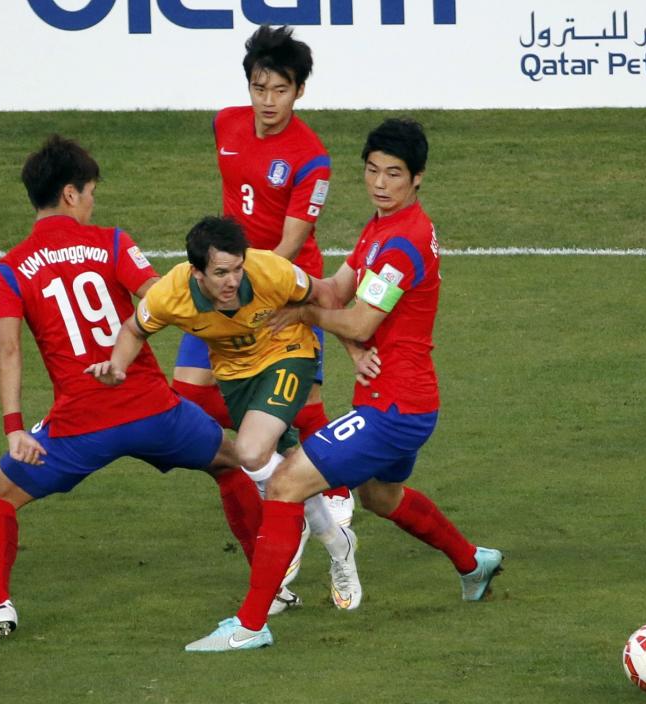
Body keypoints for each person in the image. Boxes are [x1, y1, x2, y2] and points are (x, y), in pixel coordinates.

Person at [184, 118, 504, 652]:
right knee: (381, 496)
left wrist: (302, 315)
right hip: (398, 401)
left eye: (394, 174)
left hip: (395, 409)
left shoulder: (403, 243)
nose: (380, 182)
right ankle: (474, 564)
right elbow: (336, 288)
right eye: (373, 170)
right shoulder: (379, 227)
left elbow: (357, 323)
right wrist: (276, 285)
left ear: (418, 178)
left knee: (287, 481)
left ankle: (250, 624)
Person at [0, 135, 264, 644]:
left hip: (80, 427)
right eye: (89, 192)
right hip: (156, 410)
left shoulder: (9, 270)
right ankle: (271, 585)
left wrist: (15, 428)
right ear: (69, 194)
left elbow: (8, 351)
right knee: (232, 459)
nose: (93, 201)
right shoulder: (112, 242)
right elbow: (158, 297)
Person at [87, 215, 362, 615]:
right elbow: (133, 330)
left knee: (249, 453)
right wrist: (118, 366)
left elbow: (326, 294)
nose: (232, 281)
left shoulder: (269, 270)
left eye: (237, 269)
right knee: (284, 470)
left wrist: (355, 353)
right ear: (196, 272)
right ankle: (340, 545)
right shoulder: (170, 294)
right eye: (220, 273)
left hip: (289, 356)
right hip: (235, 377)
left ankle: (295, 523)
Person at [170, 23, 357, 597]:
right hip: (224, 287)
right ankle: (273, 470)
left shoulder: (312, 158)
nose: (267, 102)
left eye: (280, 90)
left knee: (308, 407)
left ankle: (332, 491)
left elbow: (288, 246)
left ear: (299, 91)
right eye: (259, 87)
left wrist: (247, 294)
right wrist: (224, 283)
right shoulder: (224, 122)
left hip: (281, 292)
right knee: (189, 399)